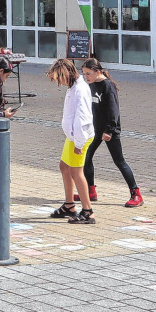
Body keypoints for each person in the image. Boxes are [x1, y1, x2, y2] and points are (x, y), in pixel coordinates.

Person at [81, 59, 143, 208]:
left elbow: (113, 111)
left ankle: (136, 193)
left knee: (119, 161)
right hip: (95, 129)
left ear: (97, 72)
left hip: (109, 130)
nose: (86, 77)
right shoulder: (92, 85)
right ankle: (90, 191)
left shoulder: (107, 86)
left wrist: (109, 130)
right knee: (86, 157)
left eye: (88, 74)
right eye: (84, 74)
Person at [47, 59, 95, 224]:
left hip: (80, 136)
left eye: (59, 78)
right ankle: (69, 205)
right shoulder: (73, 86)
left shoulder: (80, 89)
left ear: (66, 73)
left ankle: (88, 211)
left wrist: (79, 144)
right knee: (64, 166)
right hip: (73, 136)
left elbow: (83, 117)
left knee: (76, 172)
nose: (59, 82)